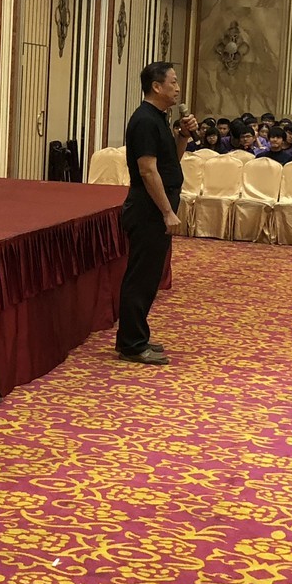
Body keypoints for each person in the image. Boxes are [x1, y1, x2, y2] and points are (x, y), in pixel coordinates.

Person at [117, 62, 190, 366]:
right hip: (148, 208)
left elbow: (170, 162)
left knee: (149, 277)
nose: (177, 88)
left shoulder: (159, 118)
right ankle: (131, 344)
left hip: (156, 206)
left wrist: (183, 136)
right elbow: (148, 171)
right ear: (157, 87)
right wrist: (167, 212)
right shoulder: (144, 120)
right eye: (173, 82)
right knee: (141, 277)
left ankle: (138, 336)